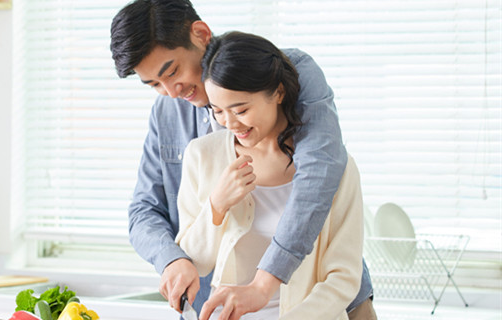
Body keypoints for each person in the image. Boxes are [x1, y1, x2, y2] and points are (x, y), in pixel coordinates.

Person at [109, 0, 375, 319]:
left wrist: (264, 284)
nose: (171, 91)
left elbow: (320, 175)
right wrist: (172, 258)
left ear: (200, 34)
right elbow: (145, 209)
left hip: (325, 306)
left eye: (173, 71)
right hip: (219, 305)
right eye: (153, 84)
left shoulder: (292, 71)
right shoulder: (176, 123)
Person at [176, 30, 364, 320]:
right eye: (218, 111)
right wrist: (216, 206)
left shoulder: (334, 167)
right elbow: (194, 263)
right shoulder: (202, 156)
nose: (230, 123)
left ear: (278, 92)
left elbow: (344, 278)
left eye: (240, 109)